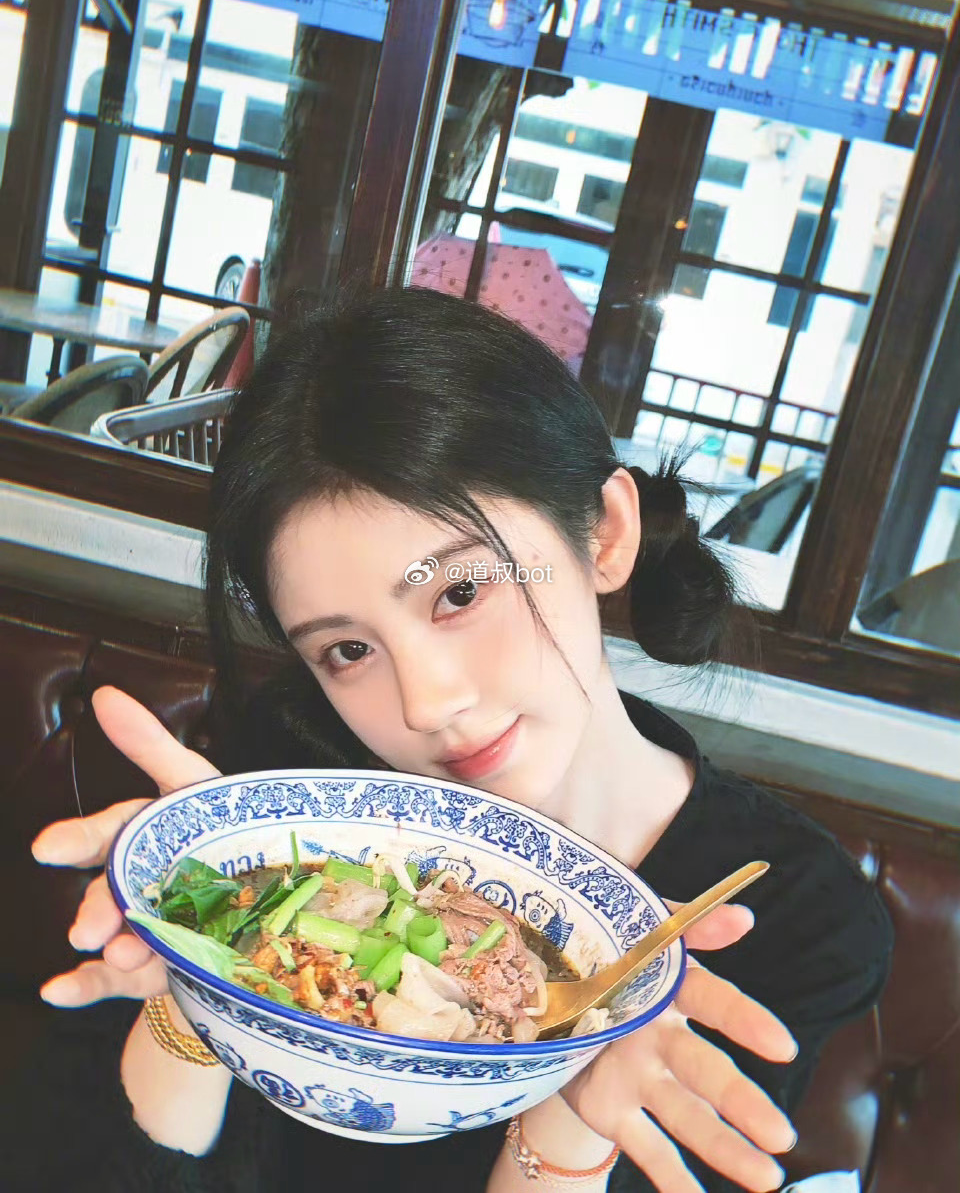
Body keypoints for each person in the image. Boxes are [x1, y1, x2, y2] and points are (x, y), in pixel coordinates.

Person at [21, 288, 892, 1193]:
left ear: (605, 534)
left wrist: (568, 1118)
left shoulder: (792, 912)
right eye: (348, 650)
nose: (426, 704)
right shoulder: (293, 802)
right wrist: (205, 977)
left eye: (461, 593)